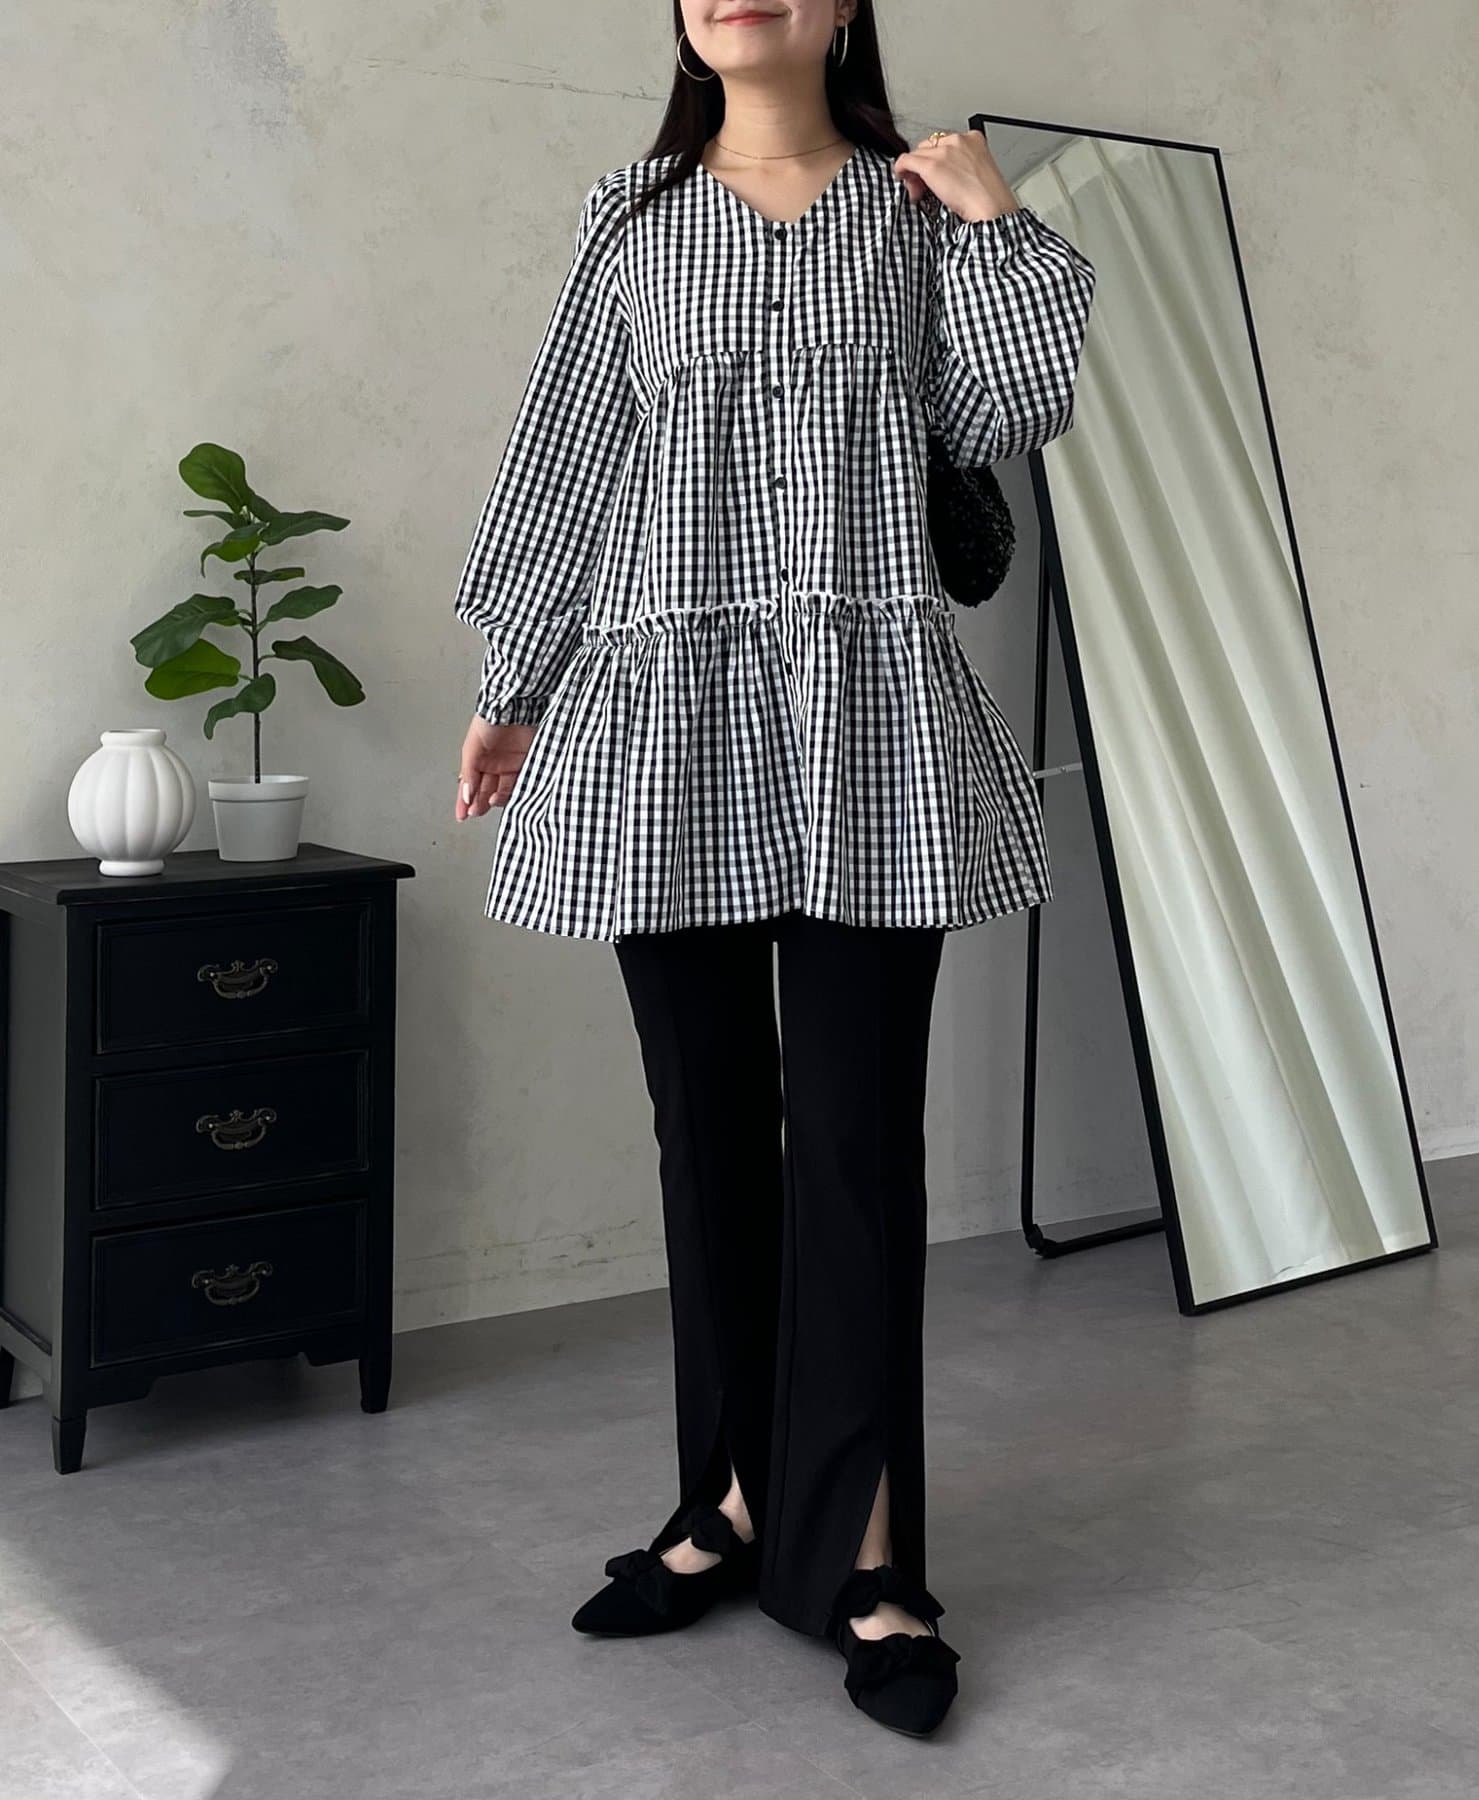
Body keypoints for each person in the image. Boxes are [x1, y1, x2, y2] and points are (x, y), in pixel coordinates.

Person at [452, 0, 1096, 1737]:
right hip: (661, 716)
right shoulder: (630, 221)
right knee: (710, 1134)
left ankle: (868, 1552)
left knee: (860, 1148)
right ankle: (730, 1501)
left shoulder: (917, 207)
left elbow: (1013, 406)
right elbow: (565, 464)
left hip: (868, 717)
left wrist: (997, 221)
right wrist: (514, 685)